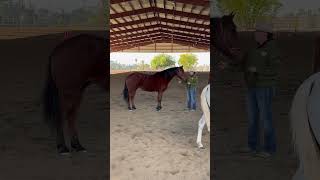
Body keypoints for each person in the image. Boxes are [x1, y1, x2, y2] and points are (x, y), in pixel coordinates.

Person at [221, 21, 281, 158]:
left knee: (266, 119)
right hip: (251, 88)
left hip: (265, 88)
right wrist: (228, 66)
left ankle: (269, 149)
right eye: (256, 32)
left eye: (258, 32)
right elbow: (242, 65)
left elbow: (275, 69)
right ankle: (252, 146)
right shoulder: (253, 49)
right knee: (253, 118)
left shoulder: (273, 49)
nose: (256, 34)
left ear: (266, 35)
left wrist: (258, 71)